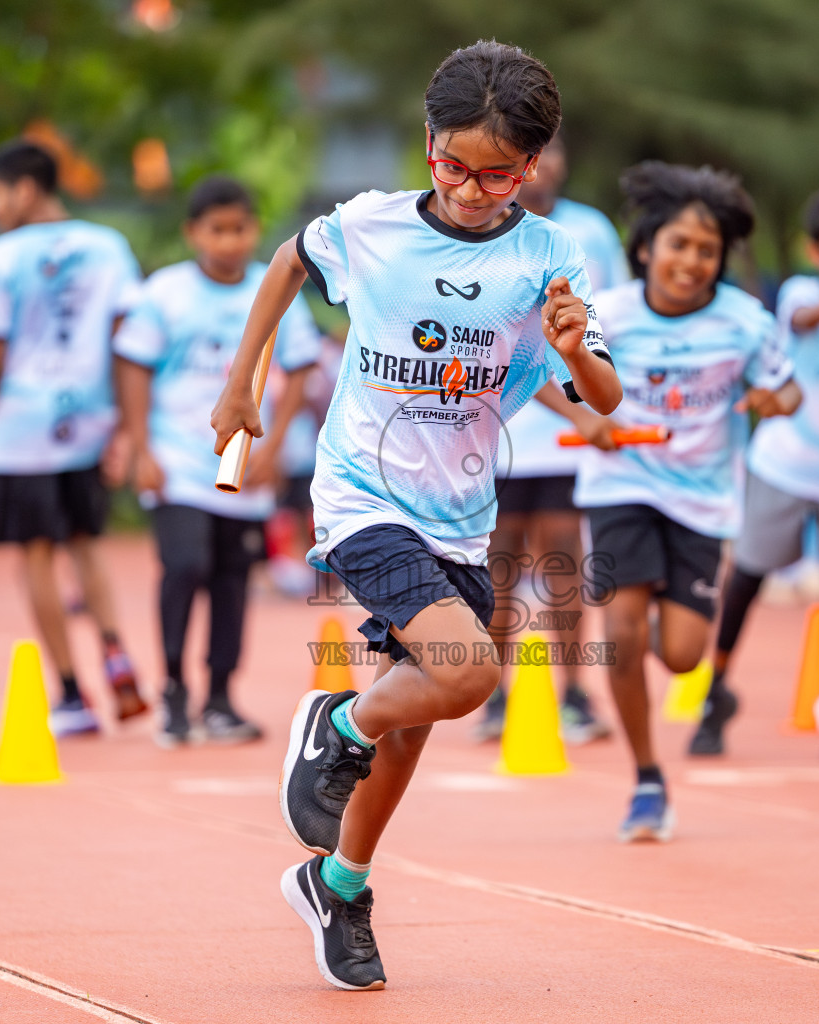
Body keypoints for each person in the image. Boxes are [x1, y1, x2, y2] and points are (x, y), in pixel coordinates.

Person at [211, 41, 620, 990]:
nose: (475, 191)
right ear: (427, 143)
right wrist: (243, 387)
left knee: (418, 724)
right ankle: (334, 728)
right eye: (455, 168)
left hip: (461, 512)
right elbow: (286, 261)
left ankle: (339, 884)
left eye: (501, 174)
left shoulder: (552, 255)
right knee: (469, 670)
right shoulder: (371, 228)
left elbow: (598, 392)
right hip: (361, 493)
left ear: (536, 165)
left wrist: (576, 350)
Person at [578, 161, 800, 838]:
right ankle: (647, 779)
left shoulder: (744, 321)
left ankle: (643, 616)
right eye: (678, 245)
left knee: (681, 656)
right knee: (619, 636)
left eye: (707, 251)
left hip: (703, 500)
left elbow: (790, 389)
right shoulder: (607, 315)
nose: (692, 261)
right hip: (622, 487)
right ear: (645, 247)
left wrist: (773, 400)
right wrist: (586, 421)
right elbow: (548, 378)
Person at [114, 176, 321, 747]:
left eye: (240, 229)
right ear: (193, 233)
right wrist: (140, 447)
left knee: (233, 581)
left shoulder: (274, 288)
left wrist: (274, 449)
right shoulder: (166, 293)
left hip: (245, 466)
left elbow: (302, 368)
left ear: (255, 230)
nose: (229, 241)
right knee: (184, 567)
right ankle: (175, 690)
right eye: (216, 230)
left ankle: (222, 697)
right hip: (179, 462)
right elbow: (132, 366)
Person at [692, 186, 819, 762]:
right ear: (816, 252)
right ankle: (714, 693)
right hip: (782, 465)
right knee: (748, 580)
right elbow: (802, 322)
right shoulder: (802, 295)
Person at [0, 140, 148, 738]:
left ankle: (70, 693)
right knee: (86, 544)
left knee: (37, 554)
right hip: (88, 423)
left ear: (25, 188)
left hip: (20, 430)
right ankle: (115, 650)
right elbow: (129, 345)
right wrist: (126, 425)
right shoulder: (108, 246)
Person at [475, 131, 629, 745]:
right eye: (529, 158)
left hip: (576, 435)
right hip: (501, 433)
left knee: (565, 564)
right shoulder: (483, 230)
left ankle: (574, 694)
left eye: (554, 153)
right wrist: (578, 414)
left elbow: (613, 325)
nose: (544, 168)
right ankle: (491, 693)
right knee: (499, 569)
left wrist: (604, 404)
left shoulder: (590, 233)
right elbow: (501, 346)